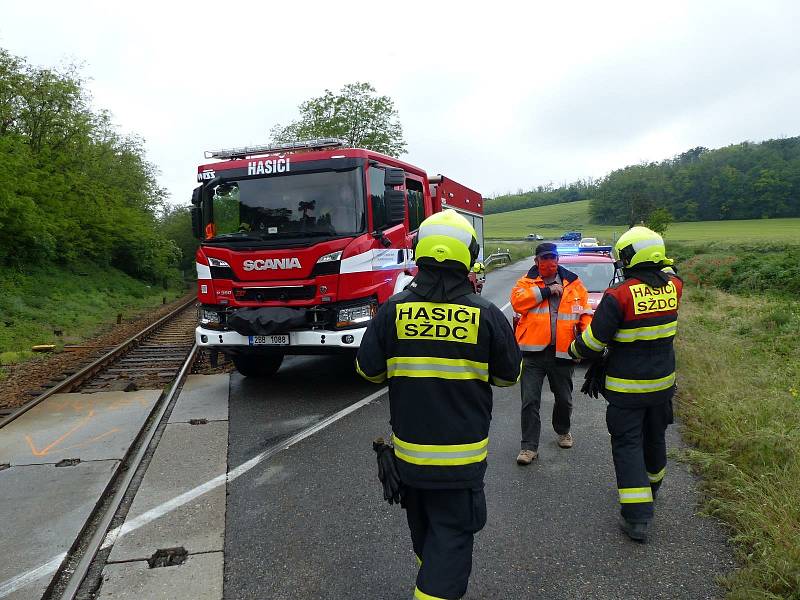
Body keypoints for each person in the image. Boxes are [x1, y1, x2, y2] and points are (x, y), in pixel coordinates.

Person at [356, 209, 522, 600]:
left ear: (420, 253)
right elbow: (508, 377)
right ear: (468, 256)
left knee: (427, 537)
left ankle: (428, 583)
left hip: (409, 460)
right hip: (461, 463)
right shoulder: (486, 315)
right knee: (451, 542)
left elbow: (368, 372)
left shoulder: (394, 311)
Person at [568, 226, 682, 543]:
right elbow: (671, 271)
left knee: (628, 446)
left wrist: (574, 349)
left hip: (626, 390)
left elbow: (592, 343)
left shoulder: (618, 296)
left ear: (629, 257)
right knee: (655, 437)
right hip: (662, 387)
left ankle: (637, 518)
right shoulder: (675, 287)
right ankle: (653, 487)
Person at [510, 243, 591, 464]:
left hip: (564, 352)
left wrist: (584, 343)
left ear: (558, 259)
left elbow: (585, 314)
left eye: (553, 257)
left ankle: (563, 430)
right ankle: (528, 448)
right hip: (533, 353)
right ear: (536, 261)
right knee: (530, 401)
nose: (550, 262)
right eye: (545, 258)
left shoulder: (574, 283)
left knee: (564, 399)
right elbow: (517, 303)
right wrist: (545, 291)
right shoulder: (526, 282)